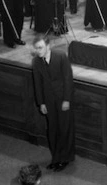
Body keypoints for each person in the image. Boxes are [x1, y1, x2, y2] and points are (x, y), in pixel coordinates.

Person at [31, 34, 75, 172]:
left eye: (40, 48)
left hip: (63, 100)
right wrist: (41, 103)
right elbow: (37, 84)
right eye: (36, 48)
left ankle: (65, 158)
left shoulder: (61, 56)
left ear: (48, 46)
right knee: (52, 130)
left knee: (64, 129)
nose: (38, 51)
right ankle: (56, 158)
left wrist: (67, 99)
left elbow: (68, 79)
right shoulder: (36, 62)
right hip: (49, 101)